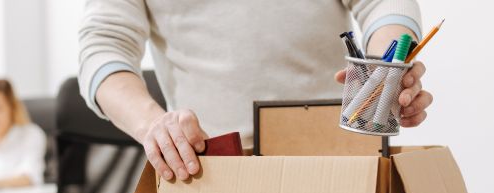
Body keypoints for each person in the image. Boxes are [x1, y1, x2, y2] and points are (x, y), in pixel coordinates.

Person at [78, 0, 432, 181]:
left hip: (337, 160)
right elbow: (104, 47)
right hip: (213, 169)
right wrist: (151, 125)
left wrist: (386, 72)